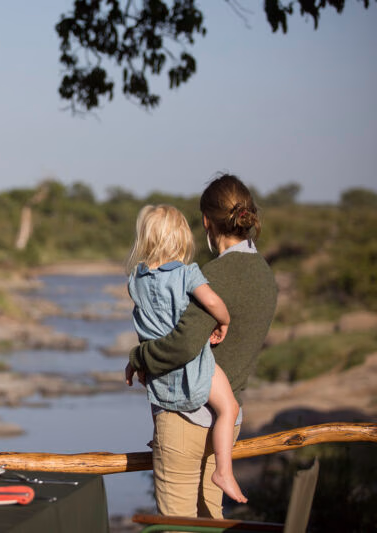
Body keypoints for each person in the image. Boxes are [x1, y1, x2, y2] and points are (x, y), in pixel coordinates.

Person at [127, 174, 277, 518]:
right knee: (210, 519)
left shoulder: (213, 276)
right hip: (227, 418)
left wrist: (138, 357)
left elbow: (181, 345)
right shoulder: (265, 276)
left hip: (185, 417)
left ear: (207, 221)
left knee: (177, 524)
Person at [124, 204, 247, 504]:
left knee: (158, 396)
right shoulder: (187, 274)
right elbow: (213, 301)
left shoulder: (135, 282)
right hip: (195, 366)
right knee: (229, 408)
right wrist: (224, 320)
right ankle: (224, 471)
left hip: (159, 371)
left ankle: (159, 438)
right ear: (182, 239)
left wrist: (135, 361)